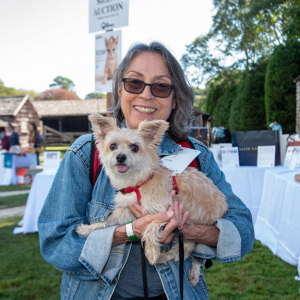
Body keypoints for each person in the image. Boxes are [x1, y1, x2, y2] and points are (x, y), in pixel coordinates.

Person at [38, 42, 254, 300]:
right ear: (120, 90)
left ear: (175, 100)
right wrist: (126, 232)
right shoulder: (85, 154)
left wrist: (194, 231)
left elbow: (243, 232)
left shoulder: (196, 155)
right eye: (134, 83)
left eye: (161, 86)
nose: (146, 95)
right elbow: (55, 244)